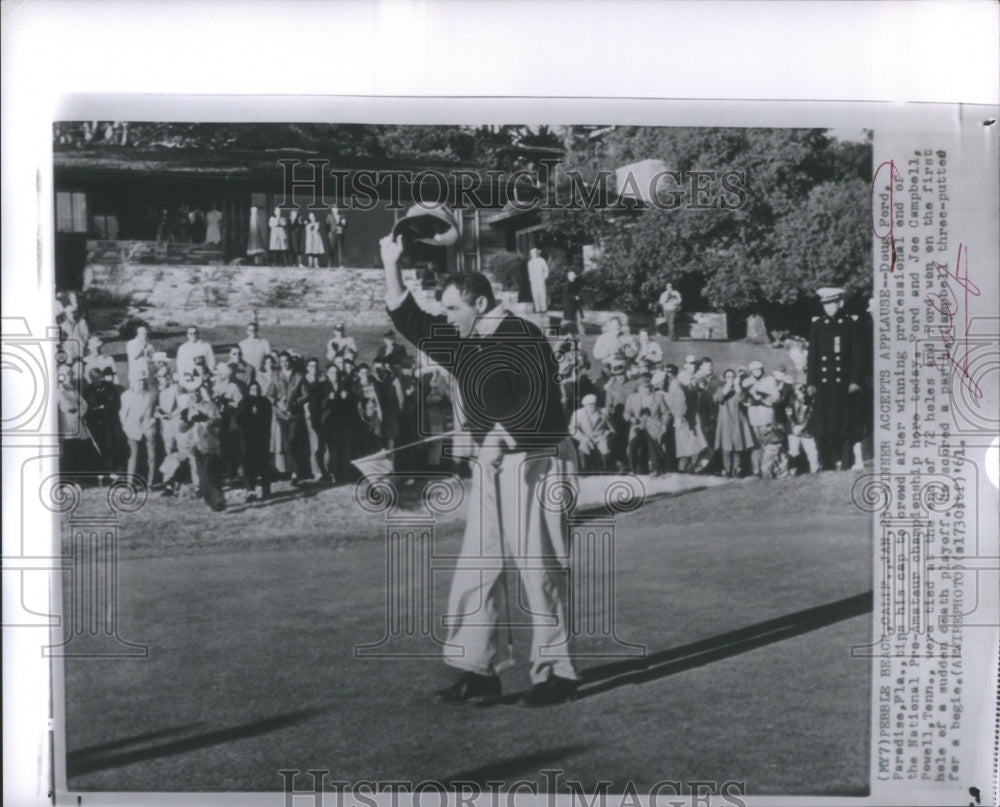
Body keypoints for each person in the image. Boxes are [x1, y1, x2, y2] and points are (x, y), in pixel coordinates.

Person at [381, 232, 579, 706]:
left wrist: (499, 437)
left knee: (539, 567)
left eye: (453, 309)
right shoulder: (463, 336)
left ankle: (558, 674)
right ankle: (479, 667)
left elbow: (545, 407)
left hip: (536, 461)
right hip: (492, 467)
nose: (445, 319)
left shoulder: (522, 335)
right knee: (479, 565)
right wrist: (391, 265)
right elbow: (410, 318)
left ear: (481, 303)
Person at [806, 287, 864, 470]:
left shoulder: (850, 324)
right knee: (822, 427)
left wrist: (855, 380)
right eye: (825, 304)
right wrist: (810, 382)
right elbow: (812, 355)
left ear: (840, 303)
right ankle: (827, 464)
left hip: (844, 383)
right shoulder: (817, 325)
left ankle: (846, 462)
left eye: (831, 303)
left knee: (844, 425)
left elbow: (857, 355)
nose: (828, 308)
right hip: (823, 383)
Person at [178, 384, 226, 511]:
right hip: (195, 445)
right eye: (192, 393)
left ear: (201, 392)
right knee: (202, 476)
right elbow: (182, 428)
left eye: (197, 392)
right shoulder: (188, 409)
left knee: (208, 472)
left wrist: (205, 420)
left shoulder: (209, 406)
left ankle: (218, 501)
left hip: (210, 443)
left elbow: (218, 420)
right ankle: (213, 501)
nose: (195, 395)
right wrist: (188, 421)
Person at [270, 350, 310, 484]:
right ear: (279, 363)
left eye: (287, 361)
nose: (285, 364)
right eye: (282, 362)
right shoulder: (275, 376)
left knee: (293, 441)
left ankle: (295, 472)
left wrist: (294, 402)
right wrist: (276, 402)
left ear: (290, 362)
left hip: (295, 414)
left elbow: (306, 394)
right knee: (286, 443)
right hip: (281, 414)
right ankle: (293, 471)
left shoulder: (299, 376)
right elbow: (269, 394)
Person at [624, 370, 671, 476]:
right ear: (639, 388)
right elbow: (627, 412)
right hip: (638, 425)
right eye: (643, 388)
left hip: (654, 425)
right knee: (633, 443)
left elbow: (666, 412)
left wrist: (664, 424)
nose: (646, 390)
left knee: (651, 441)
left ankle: (655, 468)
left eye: (648, 388)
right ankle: (634, 468)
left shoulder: (658, 397)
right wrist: (631, 418)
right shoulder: (632, 398)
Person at [713, 368, 756, 477]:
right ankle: (727, 469)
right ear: (724, 378)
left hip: (738, 420)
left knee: (738, 446)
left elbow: (742, 399)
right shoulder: (720, 388)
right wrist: (728, 385)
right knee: (726, 448)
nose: (730, 379)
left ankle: (737, 469)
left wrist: (737, 385)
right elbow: (719, 398)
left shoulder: (739, 389)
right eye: (728, 376)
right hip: (725, 421)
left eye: (732, 376)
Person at [742, 360, 780, 477]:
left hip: (767, 417)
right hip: (753, 418)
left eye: (758, 369)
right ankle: (756, 472)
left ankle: (766, 471)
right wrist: (748, 396)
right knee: (756, 447)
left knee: (770, 446)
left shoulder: (770, 380)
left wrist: (761, 396)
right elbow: (743, 398)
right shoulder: (748, 381)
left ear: (762, 369)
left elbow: (776, 398)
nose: (756, 372)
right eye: (753, 370)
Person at [320, 366, 357, 485]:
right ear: (327, 374)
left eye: (336, 372)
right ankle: (335, 475)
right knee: (333, 450)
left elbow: (352, 403)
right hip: (330, 422)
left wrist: (347, 398)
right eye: (331, 372)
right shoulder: (323, 386)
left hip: (344, 421)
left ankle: (345, 475)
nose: (334, 375)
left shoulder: (344, 385)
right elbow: (319, 404)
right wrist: (328, 399)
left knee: (346, 449)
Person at [236, 381, 272, 501]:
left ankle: (266, 490)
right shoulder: (243, 403)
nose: (255, 391)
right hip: (247, 438)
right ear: (249, 390)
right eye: (252, 389)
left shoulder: (265, 402)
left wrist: (259, 415)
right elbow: (239, 420)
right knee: (248, 465)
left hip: (261, 437)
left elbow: (268, 419)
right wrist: (250, 415)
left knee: (263, 464)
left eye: (257, 389)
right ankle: (250, 491)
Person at [119, 370, 158, 484]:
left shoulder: (151, 393)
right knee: (133, 455)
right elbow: (122, 413)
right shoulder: (127, 395)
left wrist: (152, 420)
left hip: (149, 427)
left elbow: (154, 408)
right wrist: (126, 427)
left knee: (151, 456)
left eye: (143, 381)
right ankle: (130, 482)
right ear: (133, 382)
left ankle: (151, 481)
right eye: (138, 381)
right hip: (133, 428)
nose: (141, 384)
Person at [569, 393, 613, 471]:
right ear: (584, 405)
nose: (592, 406)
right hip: (585, 436)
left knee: (605, 447)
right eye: (589, 405)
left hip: (600, 436)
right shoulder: (578, 413)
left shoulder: (604, 412)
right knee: (584, 446)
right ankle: (585, 470)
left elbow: (612, 429)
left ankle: (606, 470)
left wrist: (606, 435)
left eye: (594, 404)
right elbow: (572, 429)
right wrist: (582, 437)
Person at [786, 383, 819, 474]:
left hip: (807, 431)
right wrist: (794, 426)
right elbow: (788, 414)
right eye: (796, 389)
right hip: (793, 431)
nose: (799, 391)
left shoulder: (810, 400)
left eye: (801, 389)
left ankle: (814, 471)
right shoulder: (791, 400)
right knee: (793, 452)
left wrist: (802, 427)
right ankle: (792, 472)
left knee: (812, 452)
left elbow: (810, 415)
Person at [527, 247, 549, 313]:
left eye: (535, 253)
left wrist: (544, 276)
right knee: (535, 294)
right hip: (533, 280)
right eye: (532, 253)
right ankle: (537, 308)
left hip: (540, 279)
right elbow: (529, 272)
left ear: (537, 253)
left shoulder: (541, 260)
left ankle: (544, 308)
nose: (533, 254)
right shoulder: (530, 262)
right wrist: (530, 278)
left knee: (542, 293)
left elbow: (546, 269)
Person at [561, 269, 582, 335]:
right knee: (568, 320)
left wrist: (577, 297)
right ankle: (563, 331)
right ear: (569, 276)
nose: (574, 277)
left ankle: (578, 332)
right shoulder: (567, 284)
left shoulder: (573, 283)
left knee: (574, 319)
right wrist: (574, 297)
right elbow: (566, 295)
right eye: (572, 276)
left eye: (574, 276)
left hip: (574, 305)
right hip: (568, 305)